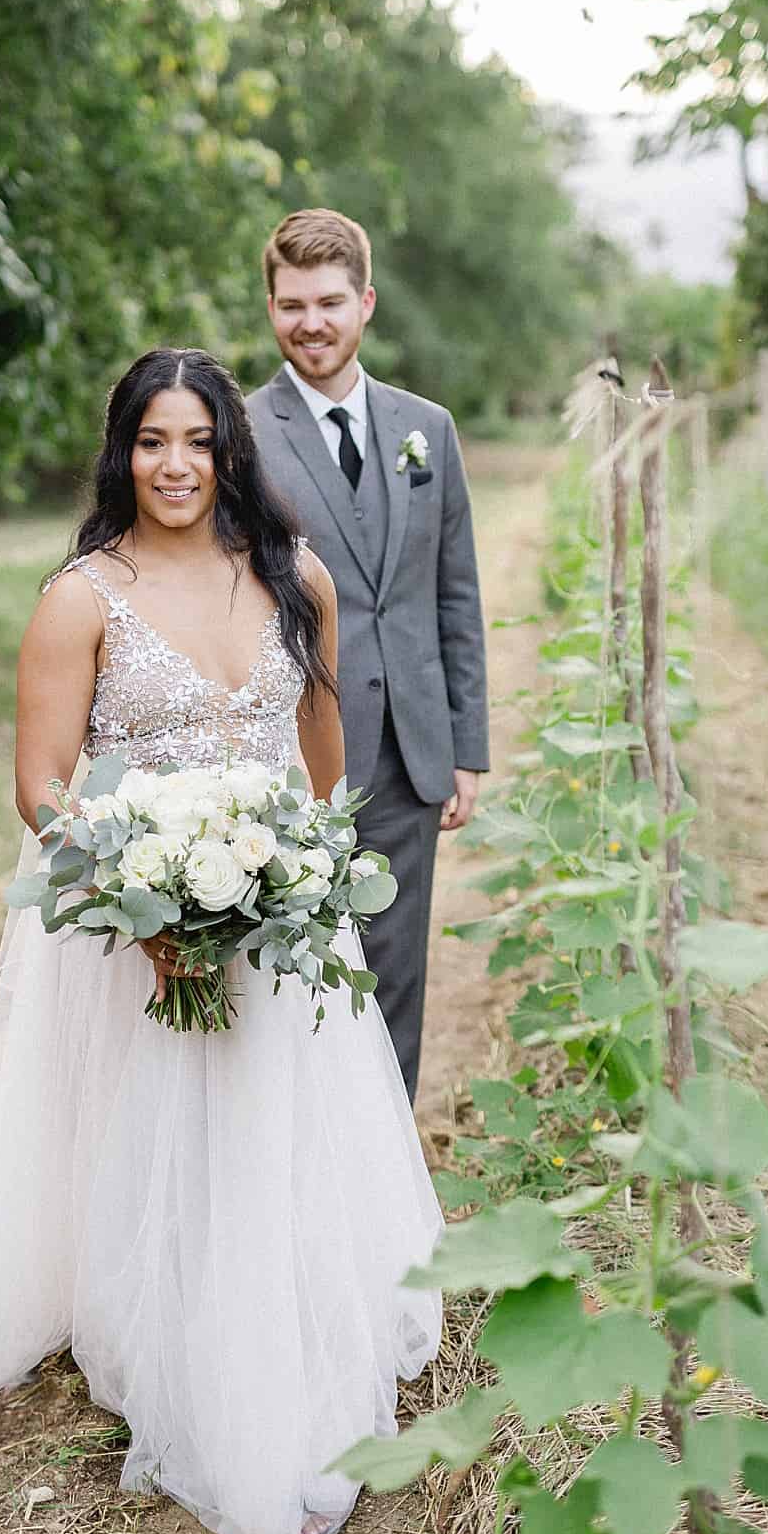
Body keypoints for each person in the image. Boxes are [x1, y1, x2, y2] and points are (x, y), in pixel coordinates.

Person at [0, 348, 442, 1534]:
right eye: (153, 440)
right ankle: (184, 1353)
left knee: (271, 1136)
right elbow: (41, 785)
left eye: (198, 440)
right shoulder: (80, 596)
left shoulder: (292, 576)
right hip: (134, 927)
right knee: (158, 1147)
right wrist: (147, 904)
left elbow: (322, 752)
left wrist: (289, 878)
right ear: (123, 451)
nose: (175, 464)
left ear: (228, 451)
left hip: (274, 919)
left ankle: (283, 1337)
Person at [247, 210, 489, 1104]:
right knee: (285, 973)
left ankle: (390, 1197)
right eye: (291, 304)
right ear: (271, 306)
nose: (310, 322)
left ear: (366, 303)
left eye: (329, 302)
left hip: (407, 748)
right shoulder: (238, 431)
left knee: (394, 976)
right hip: (285, 754)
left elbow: (452, 593)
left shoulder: (428, 427)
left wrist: (466, 746)